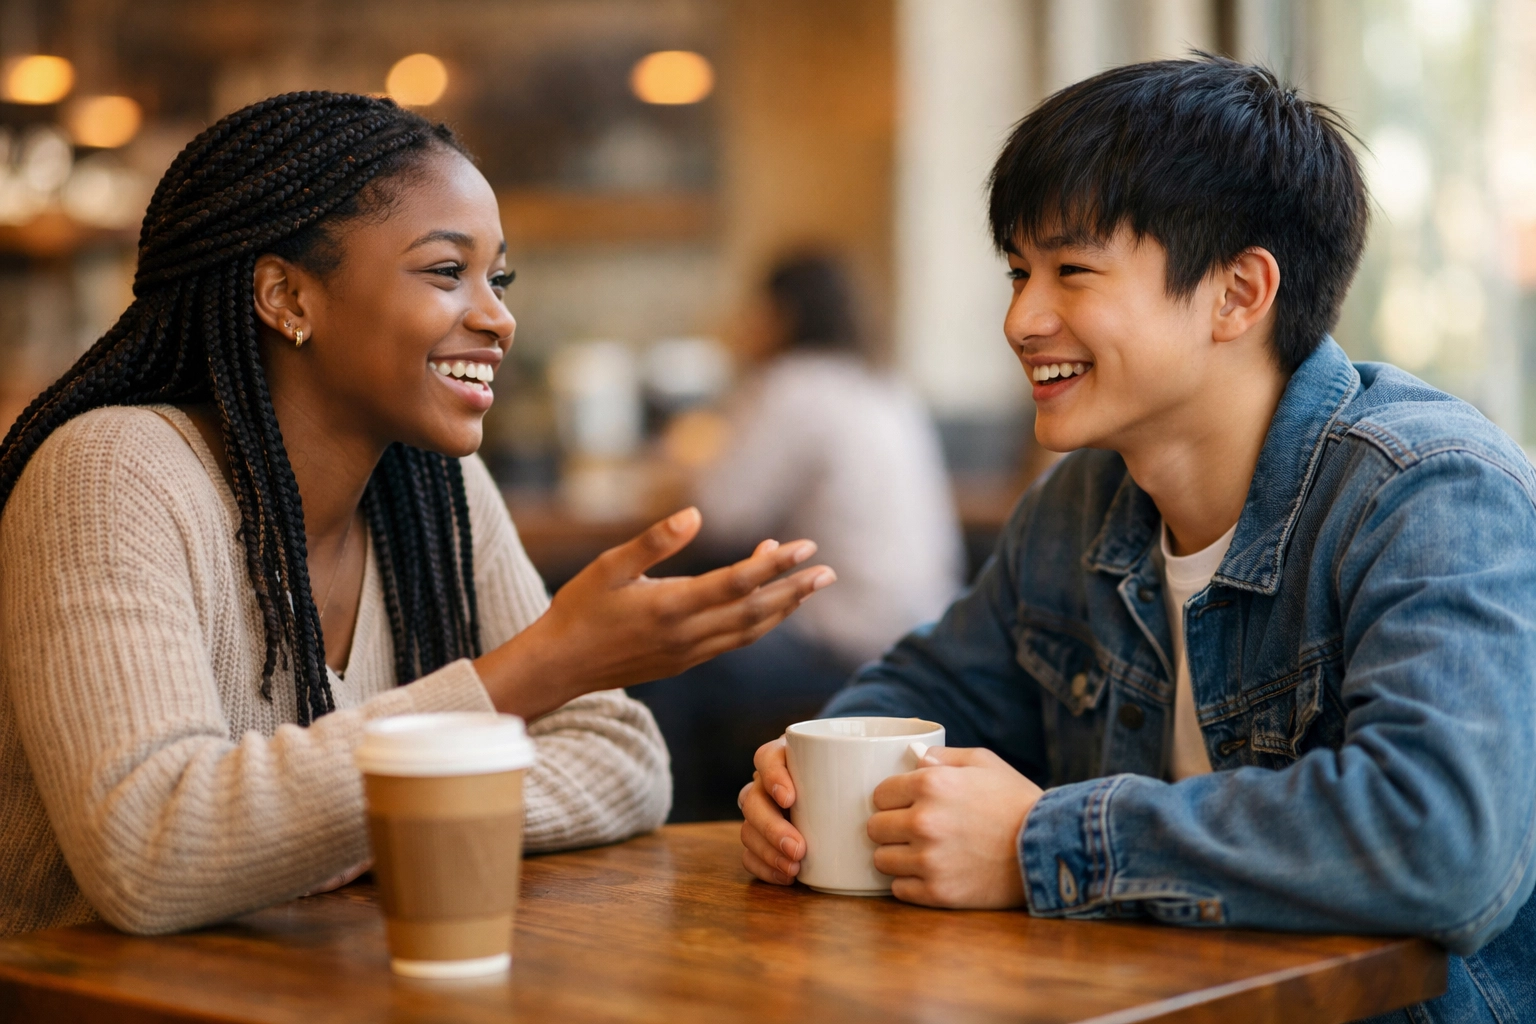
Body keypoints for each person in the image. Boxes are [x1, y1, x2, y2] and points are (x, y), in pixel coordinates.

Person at [737, 57, 1534, 1023]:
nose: (1022, 319)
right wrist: (807, 772)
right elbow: (924, 693)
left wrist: (1039, 840)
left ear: (1239, 294)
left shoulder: (1428, 496)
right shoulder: (1082, 503)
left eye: (1072, 271)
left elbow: (1440, 841)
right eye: (1019, 273)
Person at [0, 92, 835, 937]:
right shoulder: (112, 473)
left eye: (498, 279)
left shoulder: (435, 490)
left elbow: (623, 762)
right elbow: (151, 850)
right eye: (446, 272)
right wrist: (538, 668)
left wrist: (360, 826)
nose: (499, 318)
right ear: (286, 297)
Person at [631, 254, 961, 821]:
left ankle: (662, 830)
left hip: (846, 640)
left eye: (752, 310)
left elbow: (719, 513)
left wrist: (677, 465)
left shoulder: (793, 384)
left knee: (659, 656)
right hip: (926, 629)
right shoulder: (883, 385)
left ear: (780, 314)